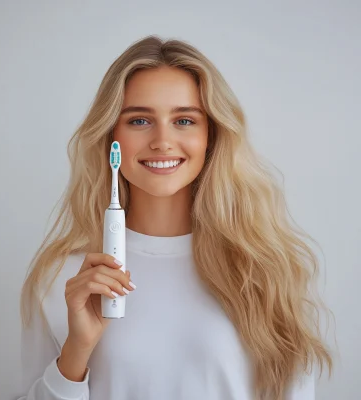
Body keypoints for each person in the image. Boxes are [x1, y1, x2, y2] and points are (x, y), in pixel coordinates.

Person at [17, 35, 333, 400]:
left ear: (210, 137)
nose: (162, 141)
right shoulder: (62, 280)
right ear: (110, 137)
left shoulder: (267, 269)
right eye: (139, 120)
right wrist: (76, 352)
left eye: (184, 120)